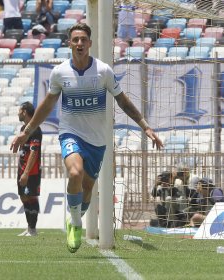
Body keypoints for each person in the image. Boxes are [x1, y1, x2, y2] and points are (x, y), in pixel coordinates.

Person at [10, 23, 163, 253]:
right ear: (69, 43)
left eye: (83, 39)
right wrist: (27, 131)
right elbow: (48, 104)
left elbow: (122, 100)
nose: (79, 43)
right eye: (75, 40)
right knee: (75, 173)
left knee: (88, 187)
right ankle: (76, 223)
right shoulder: (60, 72)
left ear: (90, 43)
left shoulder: (103, 71)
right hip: (70, 133)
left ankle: (75, 216)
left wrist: (145, 126)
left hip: (97, 140)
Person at [16, 102, 42, 237]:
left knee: (31, 196)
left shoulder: (35, 129)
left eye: (19, 110)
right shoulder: (23, 128)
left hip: (31, 171)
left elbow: (34, 152)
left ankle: (33, 229)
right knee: (23, 196)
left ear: (24, 111)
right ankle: (29, 227)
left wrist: (26, 172)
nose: (18, 113)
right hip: (22, 169)